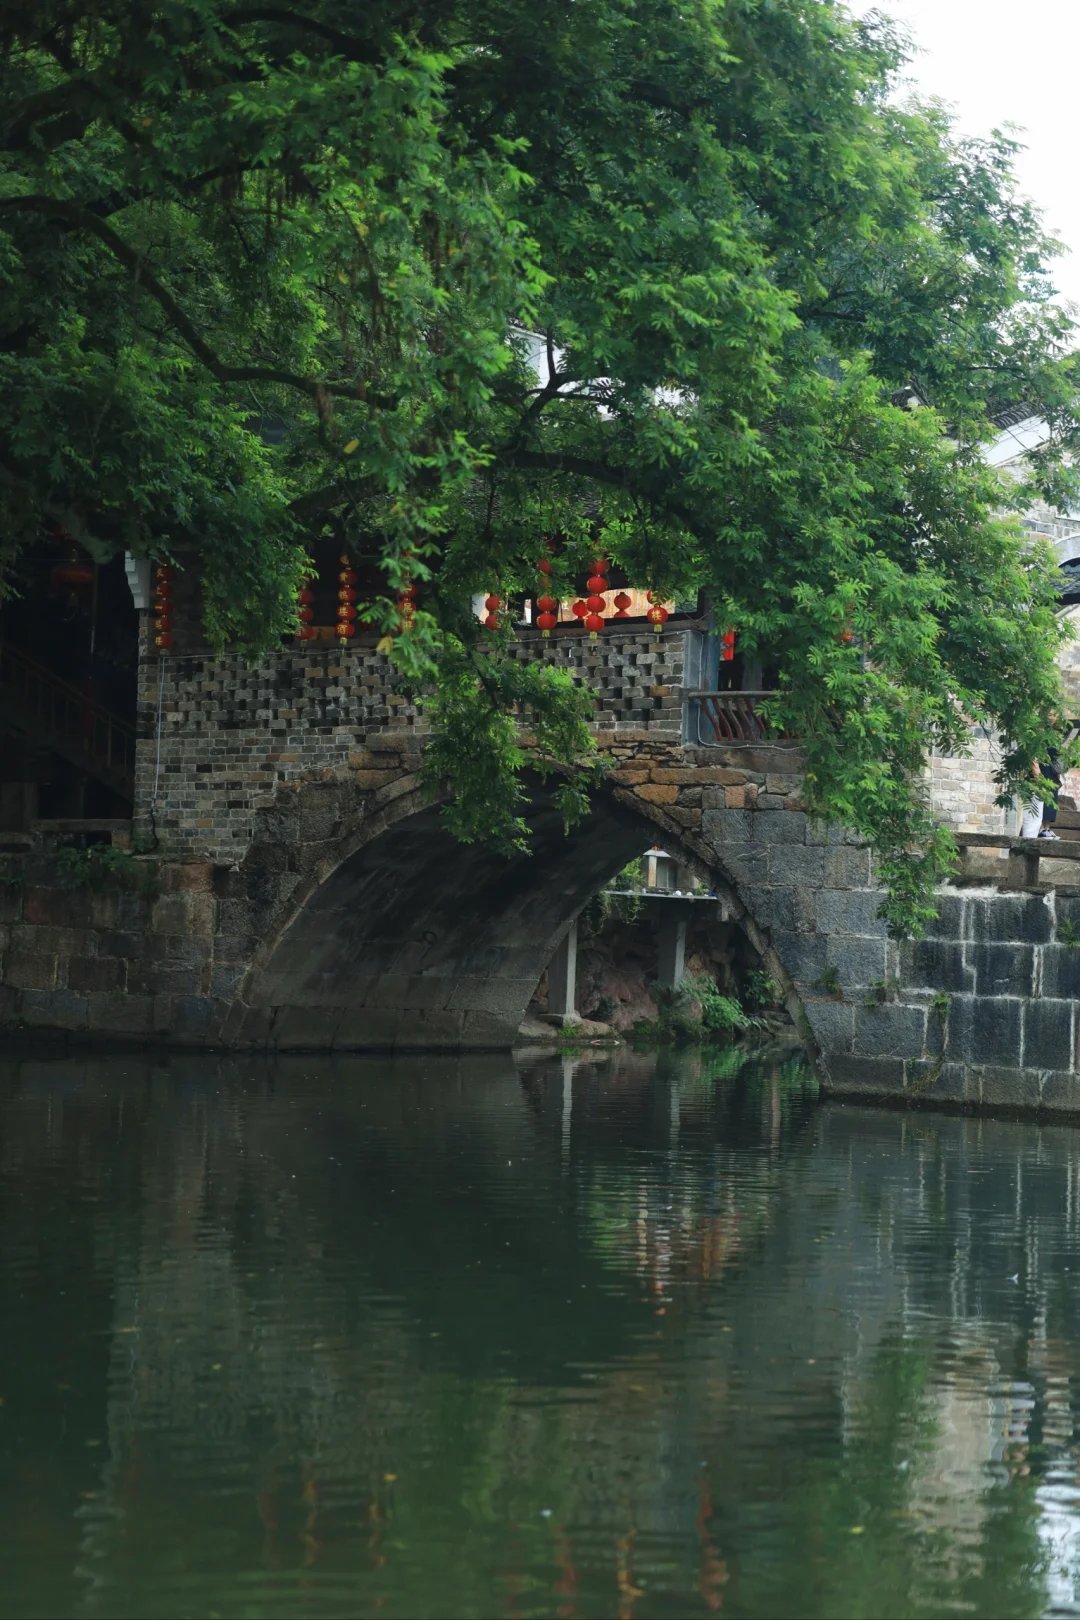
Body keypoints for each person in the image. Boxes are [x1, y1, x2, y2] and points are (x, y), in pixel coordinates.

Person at [1020, 745, 1062, 839]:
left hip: (1049, 775)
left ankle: (1045, 829)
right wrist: (1039, 781)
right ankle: (1041, 830)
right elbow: (1034, 763)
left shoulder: (1055, 744)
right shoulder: (1037, 744)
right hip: (1037, 778)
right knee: (1034, 814)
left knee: (1048, 803)